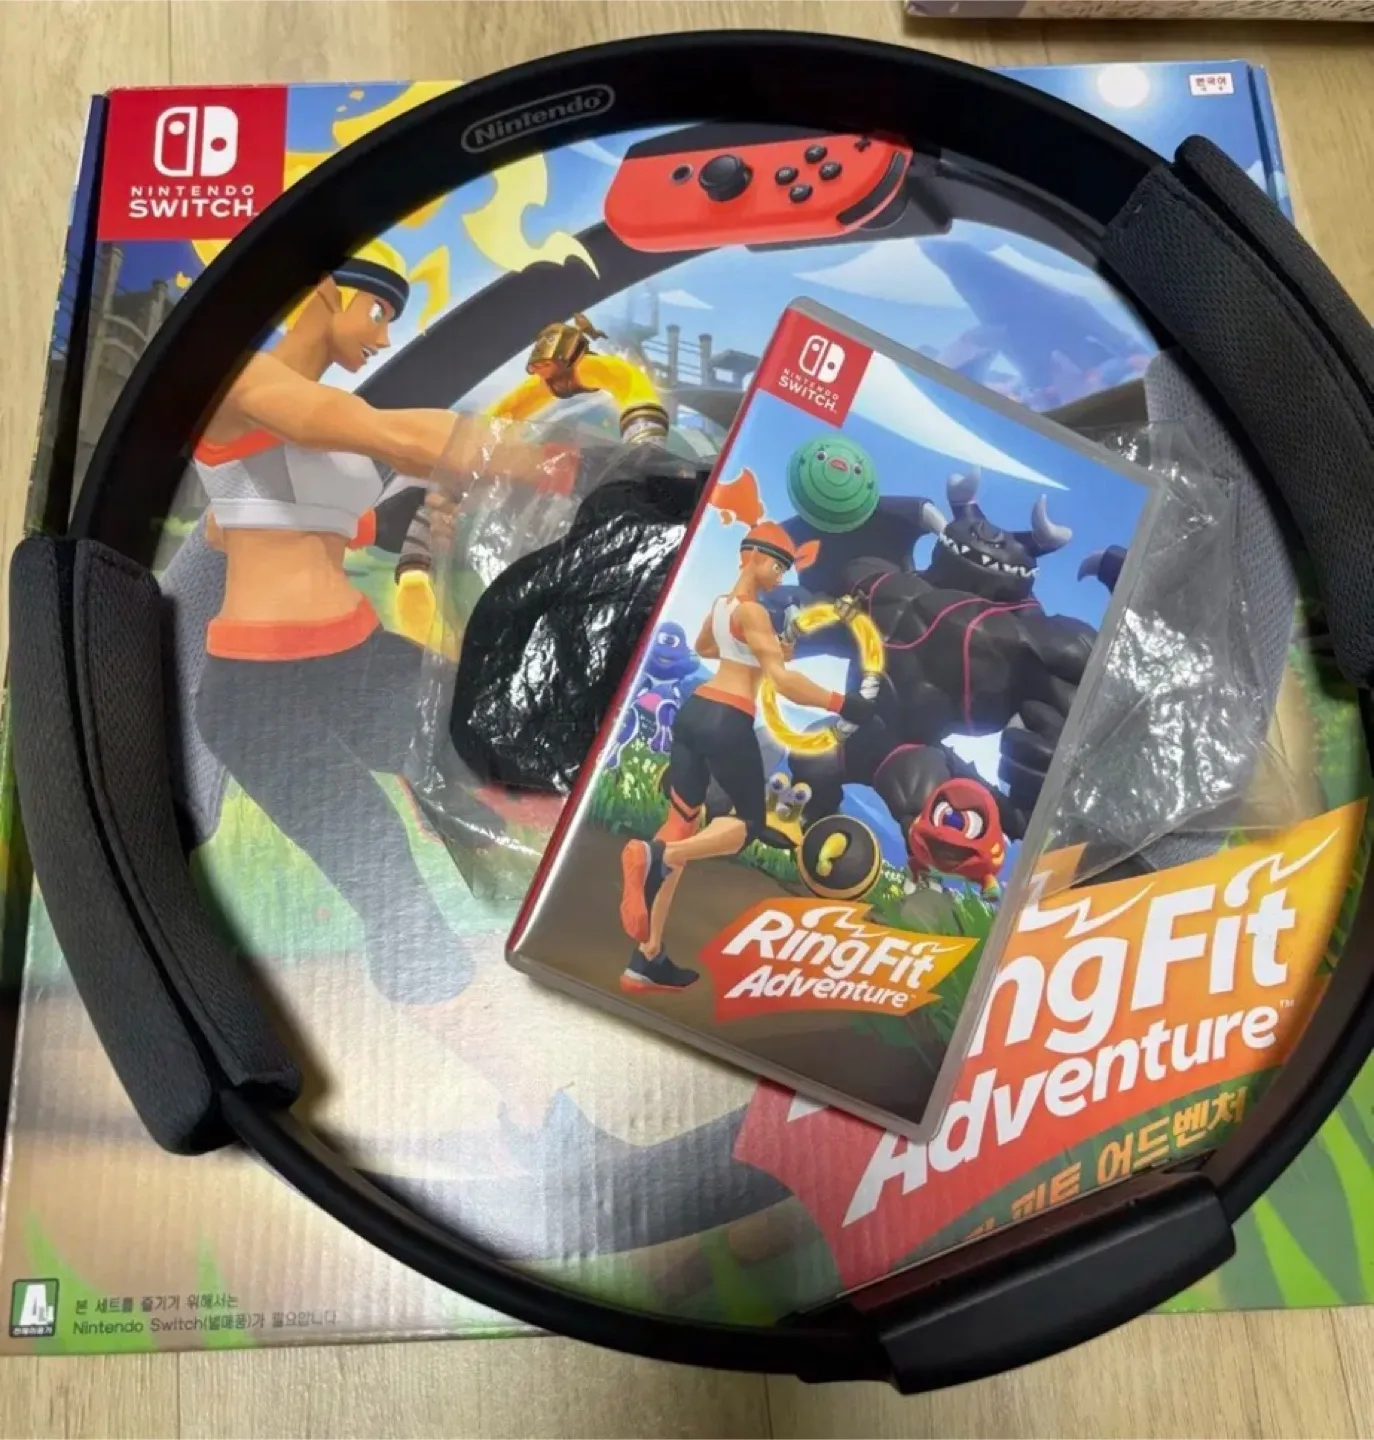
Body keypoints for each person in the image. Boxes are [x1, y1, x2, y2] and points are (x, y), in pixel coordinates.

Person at [189, 246, 527, 1005]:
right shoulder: (244, 381)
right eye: (375, 312)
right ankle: (458, 1034)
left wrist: (433, 523)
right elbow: (364, 429)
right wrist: (535, 451)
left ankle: (531, 930)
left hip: (354, 654)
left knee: (487, 750)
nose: (382, 337)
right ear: (321, 290)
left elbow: (268, 520)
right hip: (258, 690)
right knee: (378, 861)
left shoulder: (302, 433)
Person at [617, 522, 877, 992]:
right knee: (747, 825)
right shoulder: (754, 612)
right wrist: (843, 702)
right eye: (776, 566)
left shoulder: (724, 605)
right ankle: (658, 856)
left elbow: (706, 648)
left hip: (695, 712)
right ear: (751, 557)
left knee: (680, 822)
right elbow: (784, 683)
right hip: (726, 718)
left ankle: (646, 956)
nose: (780, 576)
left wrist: (767, 650)